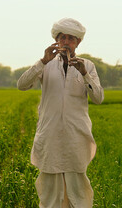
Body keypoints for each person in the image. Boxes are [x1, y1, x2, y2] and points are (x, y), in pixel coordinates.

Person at [17, 18, 104, 208]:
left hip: (76, 134)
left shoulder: (87, 66)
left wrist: (84, 74)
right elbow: (22, 85)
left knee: (78, 186)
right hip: (50, 133)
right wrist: (42, 61)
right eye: (62, 37)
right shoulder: (46, 64)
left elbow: (98, 98)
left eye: (71, 38)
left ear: (78, 42)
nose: (66, 42)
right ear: (56, 40)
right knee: (49, 186)